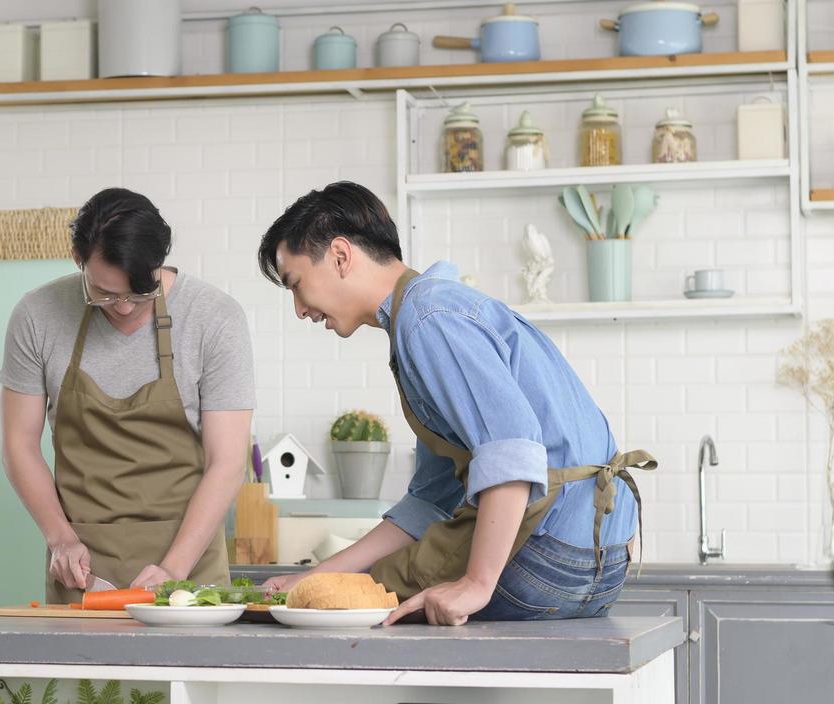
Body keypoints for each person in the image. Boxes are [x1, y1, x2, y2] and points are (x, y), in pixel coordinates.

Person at [257, 181, 655, 626]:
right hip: (601, 569)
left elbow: (510, 451)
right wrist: (322, 573)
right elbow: (432, 499)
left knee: (338, 607)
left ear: (341, 256)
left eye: (295, 284)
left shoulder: (428, 319)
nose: (299, 309)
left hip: (543, 562)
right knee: (336, 588)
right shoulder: (437, 310)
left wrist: (477, 585)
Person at [0, 188, 256, 602]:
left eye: (140, 292)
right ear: (77, 259)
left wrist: (173, 568)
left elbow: (227, 463)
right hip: (83, 570)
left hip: (188, 567)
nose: (122, 308)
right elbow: (19, 444)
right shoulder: (37, 316)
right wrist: (61, 539)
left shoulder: (215, 318)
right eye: (104, 292)